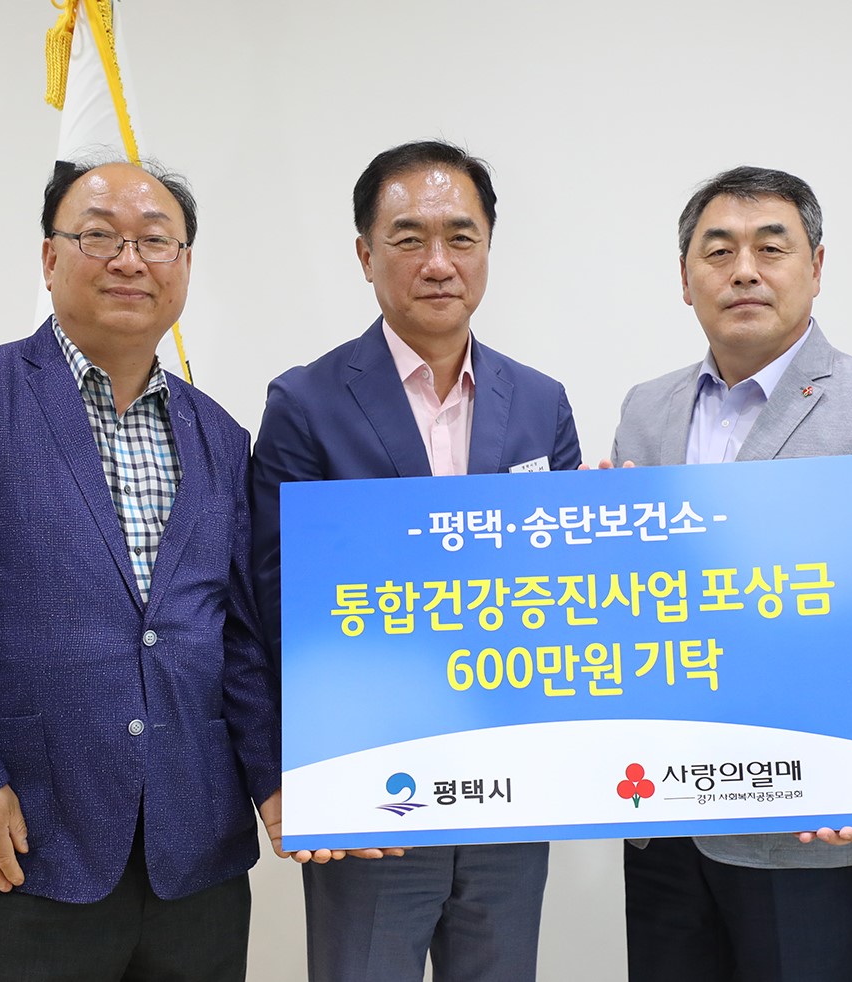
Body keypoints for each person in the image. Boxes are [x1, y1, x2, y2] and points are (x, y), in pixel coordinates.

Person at [0, 159, 283, 981]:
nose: (130, 260)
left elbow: (236, 640)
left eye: (155, 241)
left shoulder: (222, 437)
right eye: (99, 236)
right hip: (19, 847)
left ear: (185, 264)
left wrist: (272, 779)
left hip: (196, 860)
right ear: (50, 258)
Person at [250, 139, 581, 982]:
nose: (438, 262)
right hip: (372, 784)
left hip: (511, 784)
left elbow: (569, 594)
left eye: (461, 237)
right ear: (366, 255)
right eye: (408, 238)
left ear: (488, 248)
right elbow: (277, 600)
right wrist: (303, 767)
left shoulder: (540, 402)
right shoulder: (305, 402)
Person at [609, 165, 852, 981]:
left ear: (816, 267)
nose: (744, 271)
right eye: (718, 251)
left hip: (806, 820)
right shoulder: (646, 409)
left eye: (771, 248)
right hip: (661, 818)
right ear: (685, 278)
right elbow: (624, 600)